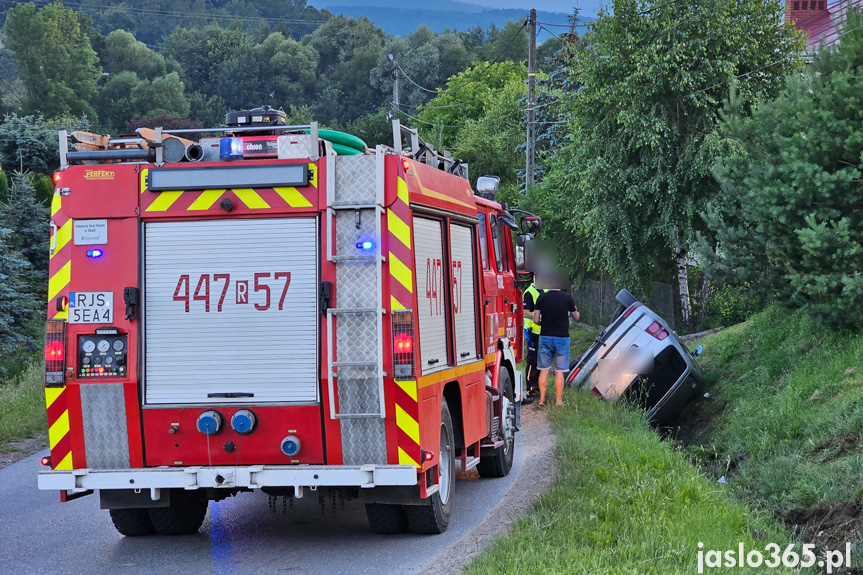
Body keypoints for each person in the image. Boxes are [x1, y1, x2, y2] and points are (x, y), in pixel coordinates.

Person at [533, 281, 579, 407]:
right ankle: (558, 401)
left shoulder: (542, 298)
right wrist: (576, 311)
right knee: (560, 371)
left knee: (544, 369)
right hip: (562, 338)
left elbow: (536, 320)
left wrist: (544, 324)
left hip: (545, 337)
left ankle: (541, 400)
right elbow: (576, 317)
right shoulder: (567, 298)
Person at [522, 280, 546, 404]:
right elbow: (525, 312)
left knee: (543, 360)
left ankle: (539, 387)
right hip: (532, 332)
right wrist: (539, 317)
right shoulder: (529, 293)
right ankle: (531, 389)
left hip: (544, 331)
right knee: (532, 361)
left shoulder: (546, 290)